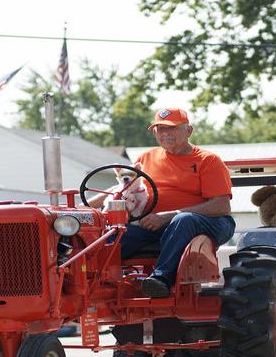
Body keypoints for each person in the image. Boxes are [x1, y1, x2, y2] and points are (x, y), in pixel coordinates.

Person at [88, 108, 235, 299]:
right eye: (160, 129)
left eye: (171, 129)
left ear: (188, 131)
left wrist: (168, 216)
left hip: (209, 222)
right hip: (155, 223)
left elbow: (221, 206)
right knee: (115, 234)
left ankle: (160, 279)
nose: (165, 134)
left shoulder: (207, 160)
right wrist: (85, 205)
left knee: (183, 220)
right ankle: (91, 281)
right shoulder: (146, 158)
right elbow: (123, 188)